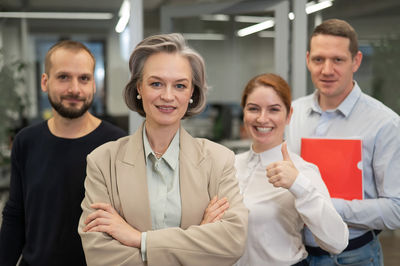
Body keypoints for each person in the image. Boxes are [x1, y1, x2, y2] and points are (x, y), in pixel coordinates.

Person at [78, 33, 248, 266]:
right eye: (156, 83)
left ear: (191, 94)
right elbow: (101, 256)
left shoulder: (219, 161)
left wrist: (140, 240)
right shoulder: (103, 161)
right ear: (139, 88)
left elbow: (232, 242)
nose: (168, 96)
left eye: (180, 85)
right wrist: (198, 242)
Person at [0, 40, 126, 266]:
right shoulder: (26, 141)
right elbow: (15, 215)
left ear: (94, 85)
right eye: (63, 77)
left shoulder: (117, 143)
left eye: (84, 79)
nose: (75, 89)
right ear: (45, 82)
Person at [286, 19, 400, 266]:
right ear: (307, 60)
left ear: (356, 61)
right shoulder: (290, 115)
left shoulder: (385, 124)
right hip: (296, 255)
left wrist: (325, 206)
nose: (327, 70)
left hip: (354, 257)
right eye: (318, 59)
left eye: (338, 60)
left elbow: (395, 210)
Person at [234, 73, 348, 266]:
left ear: (288, 116)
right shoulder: (230, 165)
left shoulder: (302, 171)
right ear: (244, 112)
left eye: (274, 110)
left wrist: (298, 185)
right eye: (254, 108)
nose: (262, 118)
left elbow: (337, 242)